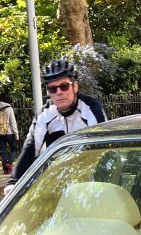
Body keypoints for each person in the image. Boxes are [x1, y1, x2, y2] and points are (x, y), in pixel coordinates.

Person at [6, 59, 107, 188]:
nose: (59, 92)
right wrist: (13, 182)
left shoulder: (91, 109)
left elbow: (103, 148)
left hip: (90, 176)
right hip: (59, 179)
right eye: (53, 89)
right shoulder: (45, 114)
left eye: (64, 86)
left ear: (75, 86)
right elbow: (30, 149)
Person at [0, 90, 19, 175]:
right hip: (9, 132)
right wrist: (16, 133)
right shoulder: (9, 108)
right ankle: (9, 164)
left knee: (3, 150)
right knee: (14, 149)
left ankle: (5, 168)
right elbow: (12, 122)